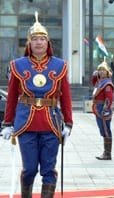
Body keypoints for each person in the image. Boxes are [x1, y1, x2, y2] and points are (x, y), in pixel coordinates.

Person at [0, 12, 73, 198]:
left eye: (42, 39)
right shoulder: (18, 65)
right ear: (29, 43)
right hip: (26, 123)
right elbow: (12, 97)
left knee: (49, 170)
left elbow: (65, 97)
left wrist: (69, 123)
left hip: (51, 124)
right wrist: (8, 123)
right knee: (30, 169)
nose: (39, 42)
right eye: (35, 39)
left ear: (48, 43)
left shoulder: (59, 65)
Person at [92, 61, 114, 160]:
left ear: (107, 72)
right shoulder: (100, 81)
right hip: (98, 107)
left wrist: (106, 109)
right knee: (102, 130)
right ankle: (106, 152)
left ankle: (107, 153)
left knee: (106, 130)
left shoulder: (107, 84)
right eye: (99, 70)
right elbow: (94, 83)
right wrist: (94, 75)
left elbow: (109, 98)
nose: (101, 72)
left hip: (103, 108)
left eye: (103, 70)